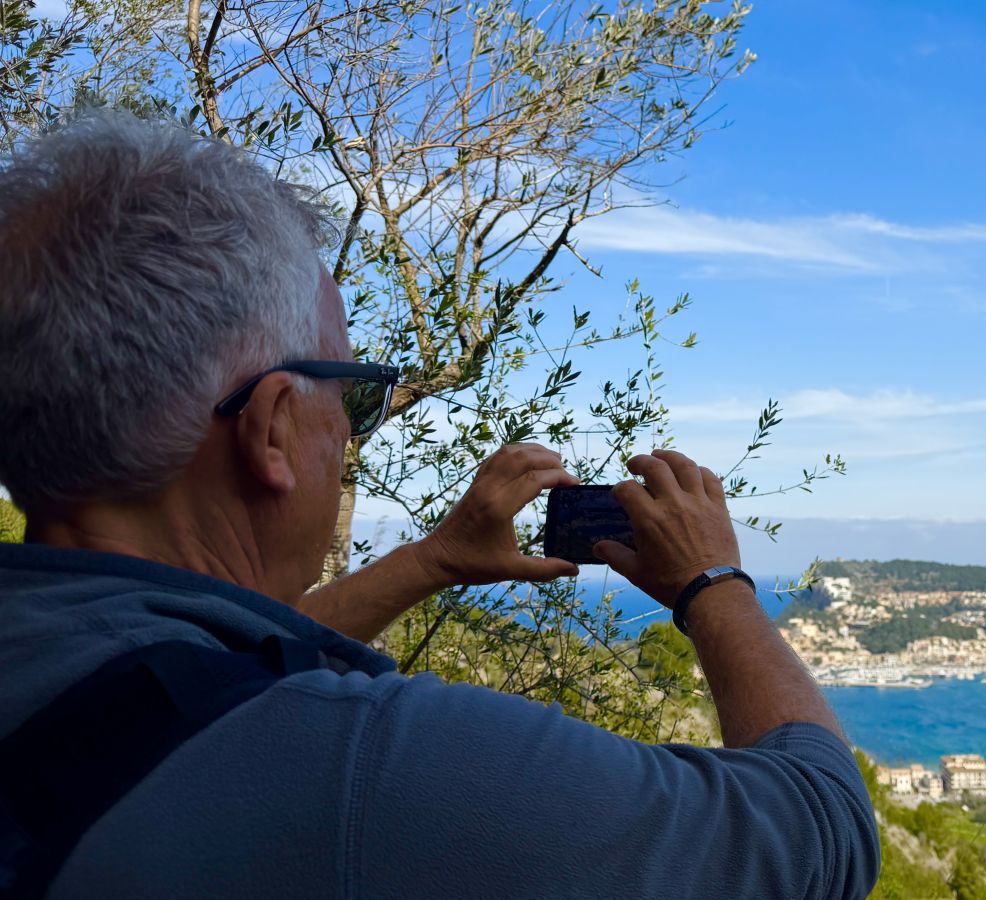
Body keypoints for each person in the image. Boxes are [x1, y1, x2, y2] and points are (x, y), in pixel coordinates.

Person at [0, 112, 878, 898]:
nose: (346, 434)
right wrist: (714, 581)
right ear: (270, 429)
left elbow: (191, 680)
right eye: (347, 394)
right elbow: (822, 832)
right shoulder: (364, 765)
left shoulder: (54, 646)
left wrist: (436, 558)